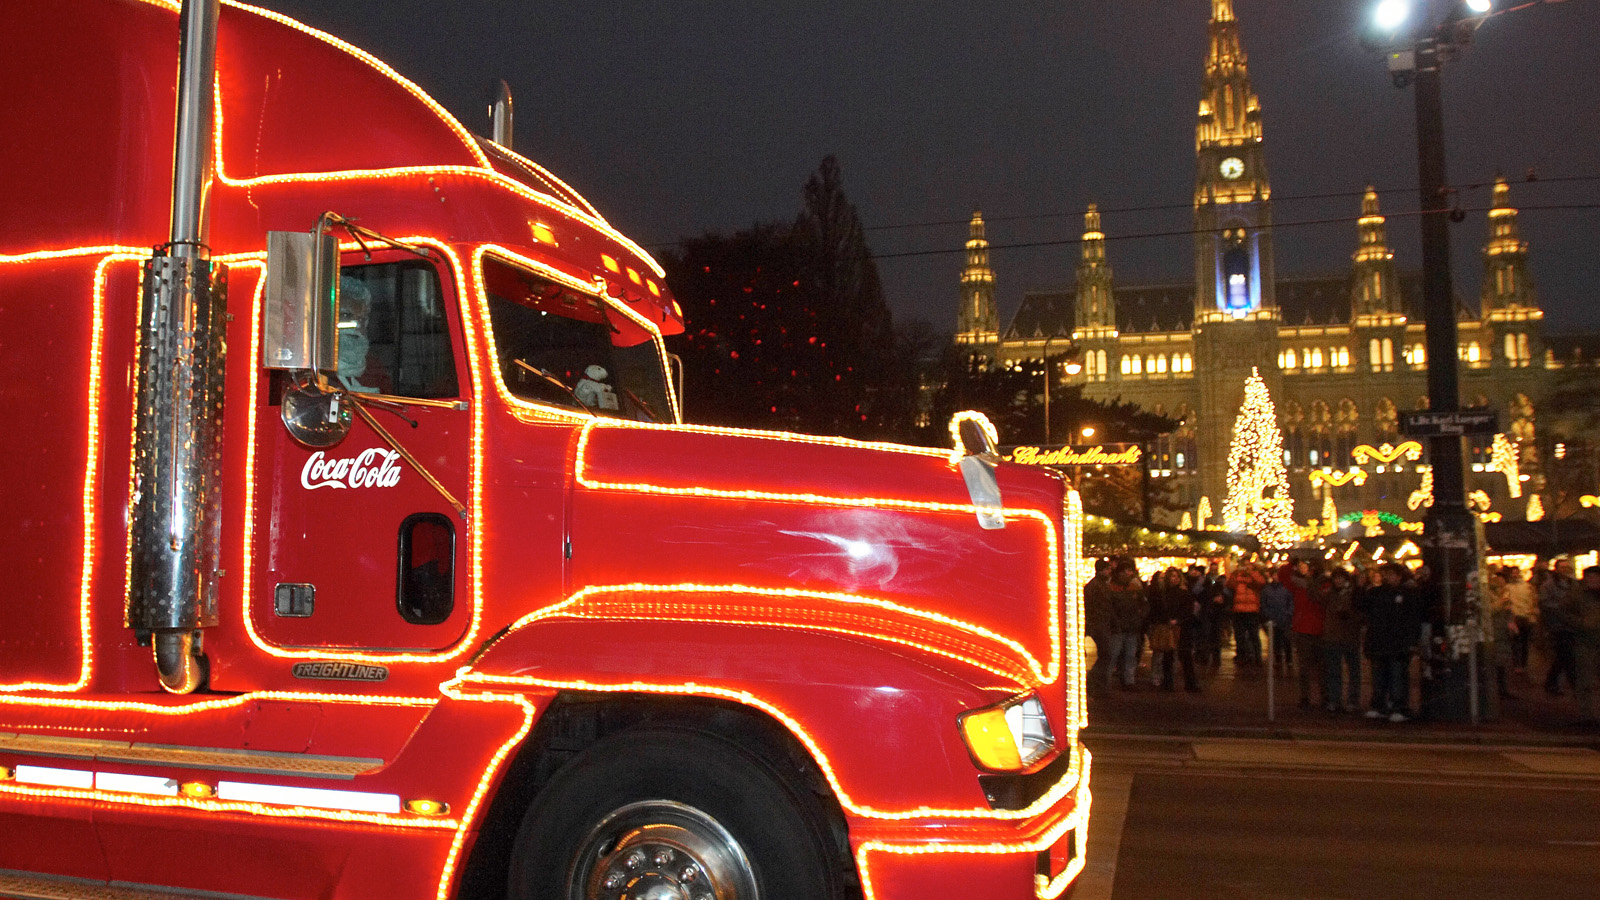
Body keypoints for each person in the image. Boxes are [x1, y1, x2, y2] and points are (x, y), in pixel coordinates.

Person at [1362, 563, 1423, 722]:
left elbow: (1413, 619)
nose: (1386, 577)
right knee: (1379, 677)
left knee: (1397, 676)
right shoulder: (1375, 593)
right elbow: (1364, 610)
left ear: (1398, 576)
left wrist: (1411, 641)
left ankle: (1399, 706)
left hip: (1397, 642)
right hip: (1379, 641)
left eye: (1390, 574)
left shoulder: (1407, 593)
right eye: (1384, 574)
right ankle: (1379, 704)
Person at [1281, 558, 1325, 710]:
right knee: (1306, 667)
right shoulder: (1299, 586)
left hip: (1317, 629)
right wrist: (1291, 563)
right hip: (1305, 629)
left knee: (1319, 667)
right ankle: (1308, 696)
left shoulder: (1321, 585)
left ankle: (1323, 696)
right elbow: (1283, 575)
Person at [1150, 568, 1199, 692]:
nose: (1175, 579)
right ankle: (1168, 683)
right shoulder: (1163, 594)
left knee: (1185, 655)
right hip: (1169, 626)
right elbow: (1158, 610)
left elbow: (1188, 610)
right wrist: (1167, 620)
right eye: (1172, 576)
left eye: (1177, 576)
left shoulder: (1184, 593)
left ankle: (1190, 683)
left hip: (1182, 627)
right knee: (1168, 656)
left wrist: (1178, 620)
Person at [1103, 559, 1149, 690]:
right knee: (1114, 654)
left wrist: (1140, 617)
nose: (1129, 573)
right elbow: (1109, 607)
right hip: (1119, 627)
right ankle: (1108, 682)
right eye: (1127, 571)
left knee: (1130, 655)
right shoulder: (1112, 587)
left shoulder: (1134, 587)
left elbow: (1144, 604)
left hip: (1131, 626)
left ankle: (1129, 680)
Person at [1322, 567, 1364, 713]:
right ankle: (1335, 699)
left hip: (1349, 637)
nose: (1338, 581)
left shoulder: (1353, 593)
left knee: (1353, 671)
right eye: (1335, 578)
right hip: (1333, 637)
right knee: (1334, 671)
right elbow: (1315, 596)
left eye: (1340, 578)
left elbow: (1360, 614)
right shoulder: (1330, 594)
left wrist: (1350, 616)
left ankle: (1352, 700)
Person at [1541, 559, 1581, 697]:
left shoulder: (1573, 584)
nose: (1565, 570)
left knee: (1565, 655)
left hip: (1572, 624)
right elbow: (1545, 603)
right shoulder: (1549, 585)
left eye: (1566, 567)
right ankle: (1573, 684)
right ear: (1556, 569)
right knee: (1566, 654)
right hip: (1557, 624)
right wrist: (1561, 608)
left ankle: (1552, 681)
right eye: (1562, 567)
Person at [1574, 566, 1600, 725]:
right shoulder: (1577, 594)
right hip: (1585, 641)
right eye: (1590, 578)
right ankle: (1587, 714)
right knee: (1586, 679)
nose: (1594, 581)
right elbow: (1563, 613)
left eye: (1596, 578)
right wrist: (1580, 623)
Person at [1227, 562, 1266, 670]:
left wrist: (1251, 574)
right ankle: (1242, 656)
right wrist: (1237, 574)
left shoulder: (1256, 575)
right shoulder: (1237, 575)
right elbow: (1230, 584)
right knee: (1239, 636)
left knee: (1254, 635)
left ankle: (1257, 657)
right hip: (1239, 610)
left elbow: (1261, 583)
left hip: (1252, 610)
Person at [1084, 559, 1113, 696]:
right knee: (1106, 654)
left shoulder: (1097, 585)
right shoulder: (1096, 586)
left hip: (1100, 622)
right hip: (1099, 623)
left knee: (1105, 655)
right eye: (1107, 569)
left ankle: (1097, 683)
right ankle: (1095, 682)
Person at [1502, 566, 1537, 675]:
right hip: (1516, 617)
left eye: (1516, 573)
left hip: (1524, 617)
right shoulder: (1510, 587)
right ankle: (1519, 664)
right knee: (1518, 642)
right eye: (1513, 573)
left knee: (1523, 642)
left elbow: (1533, 601)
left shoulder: (1527, 587)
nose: (1515, 575)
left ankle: (1521, 663)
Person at [1259, 572, 1294, 676]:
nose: (1275, 577)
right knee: (1276, 641)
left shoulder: (1286, 589)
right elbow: (1263, 603)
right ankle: (1278, 659)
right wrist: (1267, 614)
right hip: (1272, 619)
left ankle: (1289, 659)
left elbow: (1291, 602)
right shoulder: (1267, 590)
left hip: (1284, 619)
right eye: (1274, 575)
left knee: (1286, 640)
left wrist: (1288, 613)